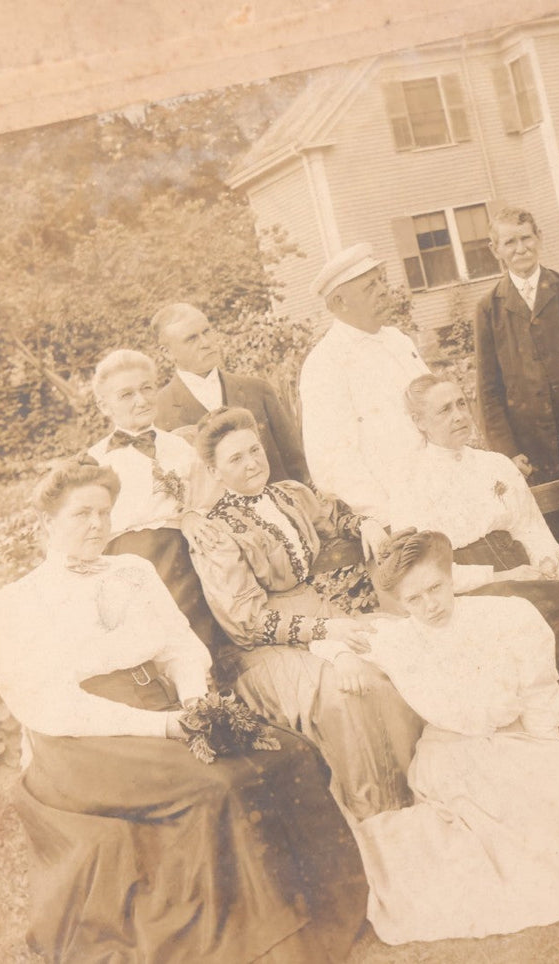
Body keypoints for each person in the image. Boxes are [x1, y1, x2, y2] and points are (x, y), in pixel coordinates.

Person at [0, 460, 366, 963]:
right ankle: (258, 941)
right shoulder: (18, 601)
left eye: (104, 512)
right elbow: (50, 704)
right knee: (218, 785)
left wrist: (195, 703)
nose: (97, 524)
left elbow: (180, 647)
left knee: (291, 754)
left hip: (166, 708)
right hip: (84, 742)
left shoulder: (134, 570)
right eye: (82, 514)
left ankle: (325, 911)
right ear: (45, 524)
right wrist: (164, 725)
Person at [308, 530, 559, 945]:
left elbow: (540, 690)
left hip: (518, 739)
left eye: (435, 588)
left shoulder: (506, 616)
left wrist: (544, 752)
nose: (429, 605)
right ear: (399, 603)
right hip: (451, 753)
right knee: (496, 821)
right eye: (413, 599)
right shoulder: (398, 638)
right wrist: (343, 656)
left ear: (450, 577)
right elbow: (324, 640)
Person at [387, 373, 559, 778]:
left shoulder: (493, 465)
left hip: (525, 565)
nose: (460, 415)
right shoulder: (410, 483)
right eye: (445, 409)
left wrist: (546, 563)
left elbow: (528, 525)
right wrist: (506, 572)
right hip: (470, 583)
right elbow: (430, 573)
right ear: (419, 422)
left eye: (462, 403)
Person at [186, 406, 425, 820]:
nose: (252, 463)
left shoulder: (289, 494)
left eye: (254, 450)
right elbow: (246, 622)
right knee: (348, 693)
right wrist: (326, 631)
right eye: (235, 459)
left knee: (399, 652)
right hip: (262, 647)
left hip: (319, 611)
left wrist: (363, 524)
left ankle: (421, 788)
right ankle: (379, 811)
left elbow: (332, 517)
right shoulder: (215, 533)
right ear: (215, 472)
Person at [474, 206, 559, 552]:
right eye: (510, 242)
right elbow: (488, 390)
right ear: (495, 250)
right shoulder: (489, 309)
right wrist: (508, 453)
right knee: (552, 540)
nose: (520, 249)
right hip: (533, 450)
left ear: (539, 239)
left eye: (526, 238)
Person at [85, 348, 225, 648]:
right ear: (103, 405)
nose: (141, 400)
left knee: (200, 642)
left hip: (184, 559)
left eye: (147, 388)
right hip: (126, 565)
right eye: (126, 394)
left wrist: (191, 513)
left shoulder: (182, 447)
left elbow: (210, 500)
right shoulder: (93, 463)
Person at [299, 242, 431, 521]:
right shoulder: (324, 364)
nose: (383, 290)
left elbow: (433, 410)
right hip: (395, 511)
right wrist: (388, 517)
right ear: (339, 303)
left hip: (439, 490)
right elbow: (332, 463)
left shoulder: (398, 341)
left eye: (380, 281)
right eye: (369, 287)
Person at [151, 301, 310, 484]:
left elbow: (296, 465)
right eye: (191, 339)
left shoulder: (258, 390)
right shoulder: (158, 414)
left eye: (207, 331)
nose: (206, 343)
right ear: (167, 353)